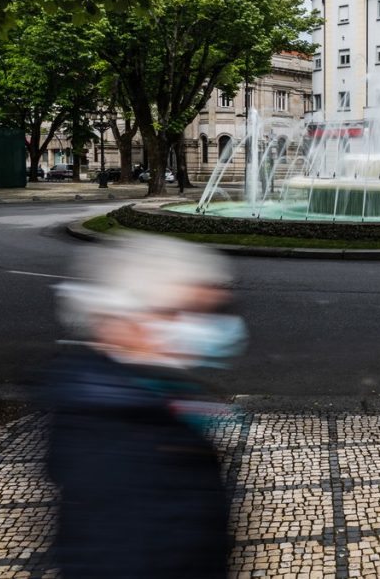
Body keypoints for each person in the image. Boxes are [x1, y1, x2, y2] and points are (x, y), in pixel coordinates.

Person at [47, 233, 247, 578]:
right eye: (178, 312)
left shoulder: (135, 400)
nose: (200, 327)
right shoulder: (118, 433)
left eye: (206, 311)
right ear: (121, 324)